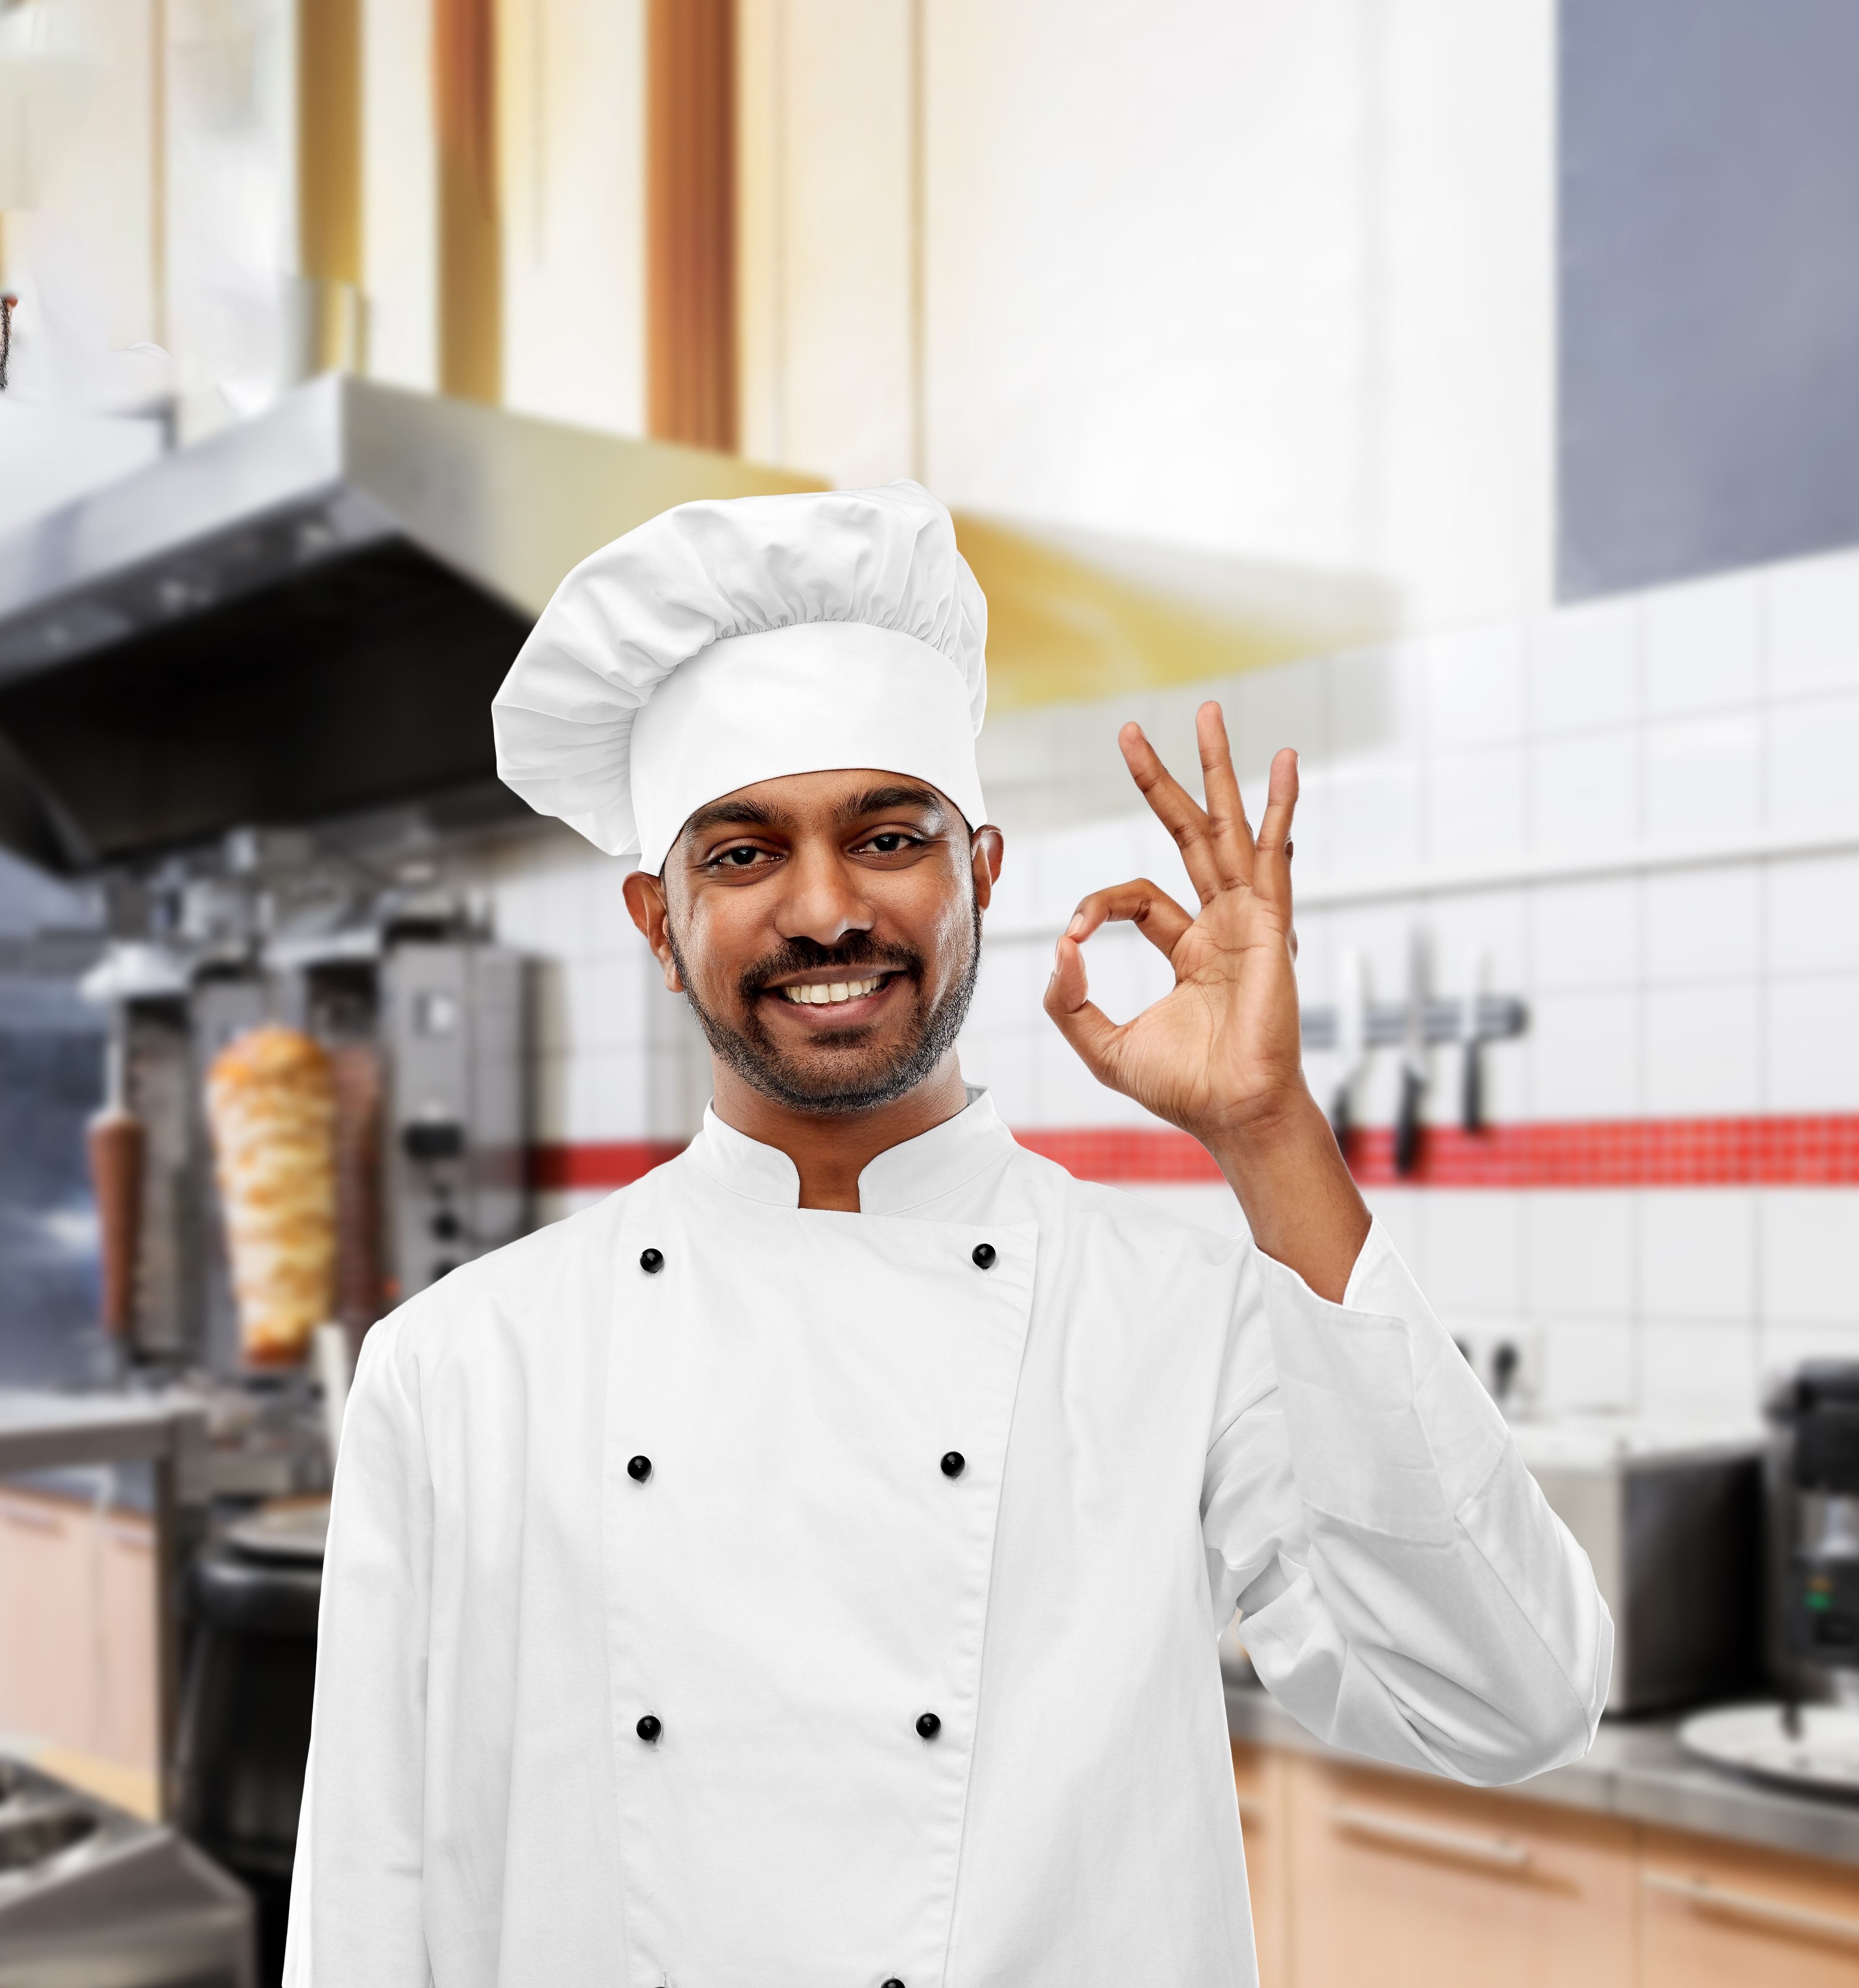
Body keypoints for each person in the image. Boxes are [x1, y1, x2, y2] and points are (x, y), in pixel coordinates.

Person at [285, 483, 1609, 1988]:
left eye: (887, 836)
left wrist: (1268, 1134)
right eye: (742, 854)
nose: (826, 910)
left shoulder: (1173, 1313)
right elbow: (367, 1904)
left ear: (980, 874)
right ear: (655, 922)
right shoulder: (462, 1368)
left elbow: (1521, 1702)